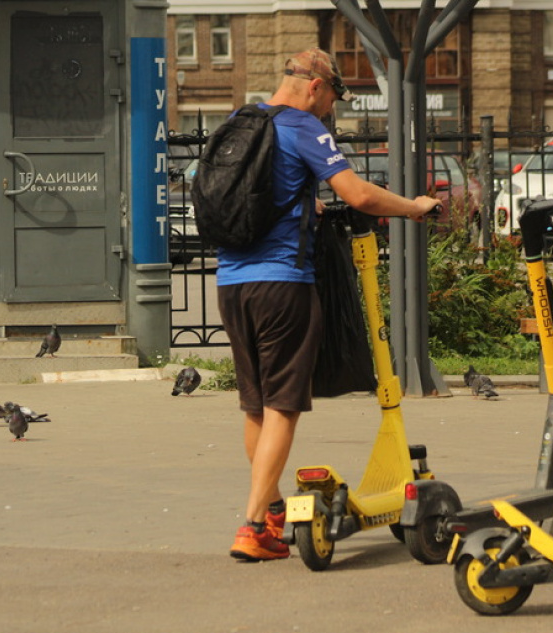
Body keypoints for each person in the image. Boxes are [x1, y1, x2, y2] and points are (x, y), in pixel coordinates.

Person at [218, 48, 442, 562]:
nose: (330, 111)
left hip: (230, 283)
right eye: (333, 99)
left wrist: (302, 201)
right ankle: (252, 524)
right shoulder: (302, 127)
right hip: (282, 284)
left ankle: (272, 511)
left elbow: (245, 193)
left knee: (255, 404)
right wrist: (412, 207)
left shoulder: (240, 122)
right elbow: (359, 195)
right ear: (316, 87)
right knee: (283, 405)